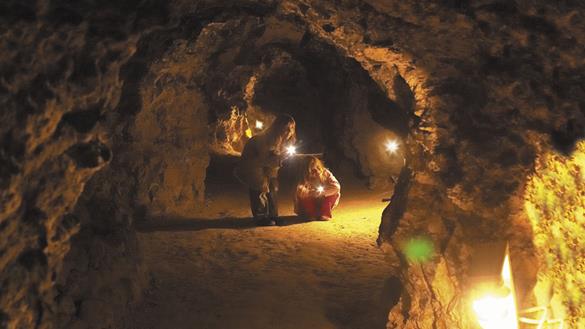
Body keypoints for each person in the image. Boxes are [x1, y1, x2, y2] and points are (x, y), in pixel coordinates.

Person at [235, 114, 296, 226]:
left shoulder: (283, 141)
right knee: (260, 187)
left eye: (292, 128)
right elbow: (264, 160)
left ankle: (273, 215)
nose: (289, 131)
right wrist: (280, 158)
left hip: (267, 166)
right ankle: (260, 217)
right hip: (252, 165)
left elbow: (273, 163)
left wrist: (280, 160)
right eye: (286, 128)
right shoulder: (264, 140)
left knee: (273, 186)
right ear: (278, 127)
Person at [294, 156, 340, 221]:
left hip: (323, 197)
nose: (313, 170)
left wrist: (322, 192)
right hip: (310, 198)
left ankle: (324, 214)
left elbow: (336, 187)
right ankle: (311, 214)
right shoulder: (303, 174)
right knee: (302, 194)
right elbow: (299, 189)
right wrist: (309, 192)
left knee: (334, 194)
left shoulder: (325, 173)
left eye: (313, 164)